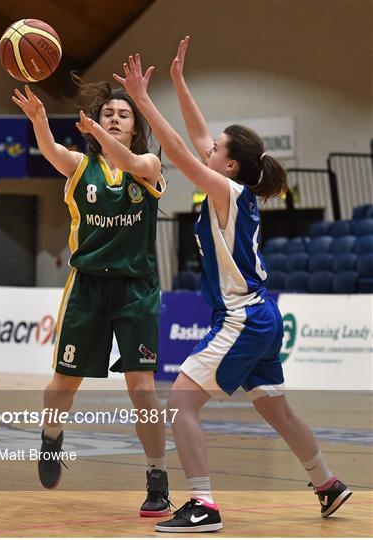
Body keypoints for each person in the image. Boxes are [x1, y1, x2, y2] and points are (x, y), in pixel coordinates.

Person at [112, 37, 352, 533]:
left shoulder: (225, 188)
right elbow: (197, 136)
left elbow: (178, 148)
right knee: (277, 410)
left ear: (229, 164)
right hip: (259, 314)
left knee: (180, 403)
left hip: (242, 316)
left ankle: (203, 504)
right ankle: (326, 483)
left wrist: (143, 100)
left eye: (217, 149)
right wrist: (179, 84)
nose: (209, 148)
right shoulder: (231, 184)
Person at [11, 82, 170, 517]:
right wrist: (40, 120)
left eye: (124, 114)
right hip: (88, 288)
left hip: (135, 289)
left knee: (143, 392)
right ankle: (51, 435)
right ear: (96, 123)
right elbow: (51, 153)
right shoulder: (81, 166)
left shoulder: (148, 165)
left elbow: (133, 160)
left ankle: (157, 477)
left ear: (136, 127)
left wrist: (100, 136)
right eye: (108, 114)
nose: (115, 118)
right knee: (64, 386)